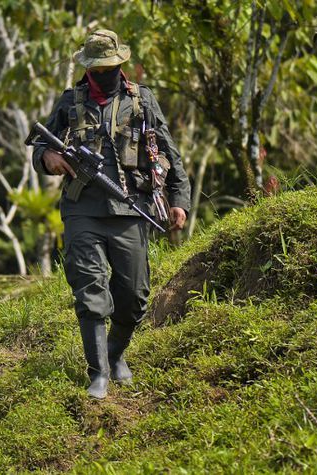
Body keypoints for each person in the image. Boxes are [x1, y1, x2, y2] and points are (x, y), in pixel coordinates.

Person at [32, 29, 191, 399]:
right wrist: (47, 156)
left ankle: (116, 355)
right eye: (98, 67)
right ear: (87, 67)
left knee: (134, 294)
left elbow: (169, 150)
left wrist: (179, 199)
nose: (105, 73)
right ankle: (98, 373)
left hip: (131, 206)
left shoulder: (141, 99)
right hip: (82, 209)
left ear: (120, 63)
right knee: (90, 290)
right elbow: (42, 141)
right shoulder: (70, 100)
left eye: (111, 66)